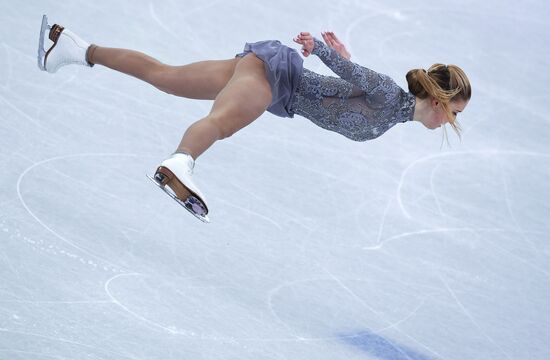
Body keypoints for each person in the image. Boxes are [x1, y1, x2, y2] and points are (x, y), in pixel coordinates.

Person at [37, 15, 471, 222]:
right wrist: (320, 50)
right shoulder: (389, 94)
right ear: (438, 102)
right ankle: (181, 161)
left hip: (269, 76)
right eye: (454, 113)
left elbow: (352, 83)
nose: (450, 123)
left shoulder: (391, 111)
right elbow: (359, 77)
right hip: (274, 77)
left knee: (166, 78)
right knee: (223, 122)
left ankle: (74, 47)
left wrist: (338, 59)